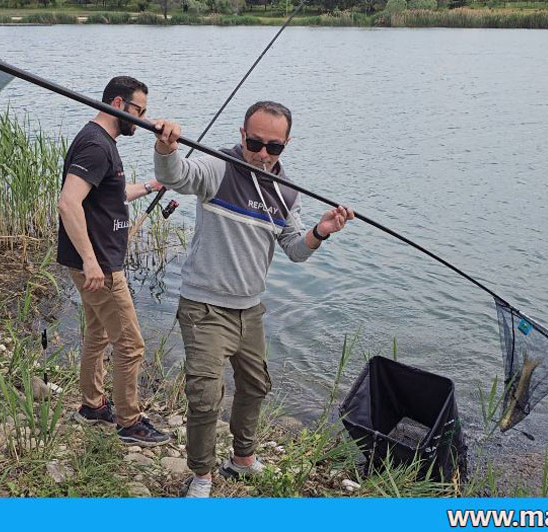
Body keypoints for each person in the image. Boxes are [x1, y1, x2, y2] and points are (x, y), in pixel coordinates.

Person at [151, 101, 354, 496]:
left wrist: (321, 230)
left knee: (256, 385)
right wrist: (166, 147)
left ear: (286, 144)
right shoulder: (218, 167)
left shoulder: (286, 192)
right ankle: (202, 475)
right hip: (204, 307)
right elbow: (176, 176)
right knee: (205, 396)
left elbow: (295, 248)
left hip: (249, 309)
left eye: (273, 147)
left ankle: (242, 458)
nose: (262, 154)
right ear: (242, 134)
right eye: (255, 143)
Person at [57, 75, 169, 446]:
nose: (143, 120)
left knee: (98, 333)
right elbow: (68, 202)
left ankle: (92, 405)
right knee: (131, 345)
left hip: (93, 262)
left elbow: (112, 194)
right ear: (118, 105)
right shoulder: (95, 145)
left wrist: (152, 186)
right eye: (139, 111)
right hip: (100, 267)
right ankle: (129, 421)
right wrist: (91, 261)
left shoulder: (101, 141)